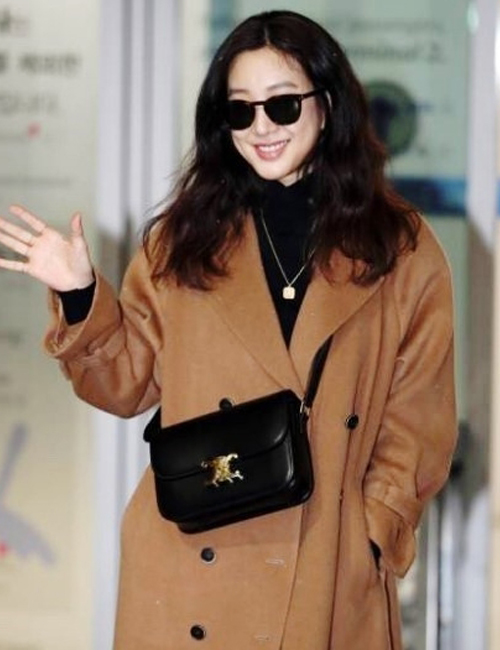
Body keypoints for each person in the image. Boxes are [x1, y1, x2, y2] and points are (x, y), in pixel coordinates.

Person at [0, 10, 457, 650]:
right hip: (194, 560)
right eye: (240, 111)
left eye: (283, 105)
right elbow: (124, 386)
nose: (261, 127)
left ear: (328, 105)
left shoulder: (400, 249)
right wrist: (79, 292)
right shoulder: (184, 238)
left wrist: (373, 534)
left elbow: (418, 423)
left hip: (326, 567)